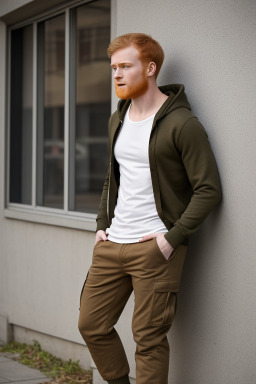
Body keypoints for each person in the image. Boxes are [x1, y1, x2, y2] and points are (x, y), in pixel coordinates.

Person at [78, 33, 221, 384]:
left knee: (149, 338)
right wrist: (102, 223)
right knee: (91, 325)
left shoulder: (182, 124)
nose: (117, 74)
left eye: (126, 66)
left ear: (151, 68)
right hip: (112, 244)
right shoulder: (119, 119)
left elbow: (209, 189)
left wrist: (172, 238)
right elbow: (113, 178)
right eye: (114, 67)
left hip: (154, 249)